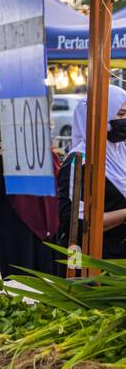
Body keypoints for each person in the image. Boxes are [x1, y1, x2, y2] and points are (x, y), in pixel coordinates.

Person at [59, 85, 126, 261]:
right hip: (96, 266)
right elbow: (76, 223)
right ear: (98, 117)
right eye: (120, 114)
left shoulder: (122, 153)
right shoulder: (78, 161)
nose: (124, 120)